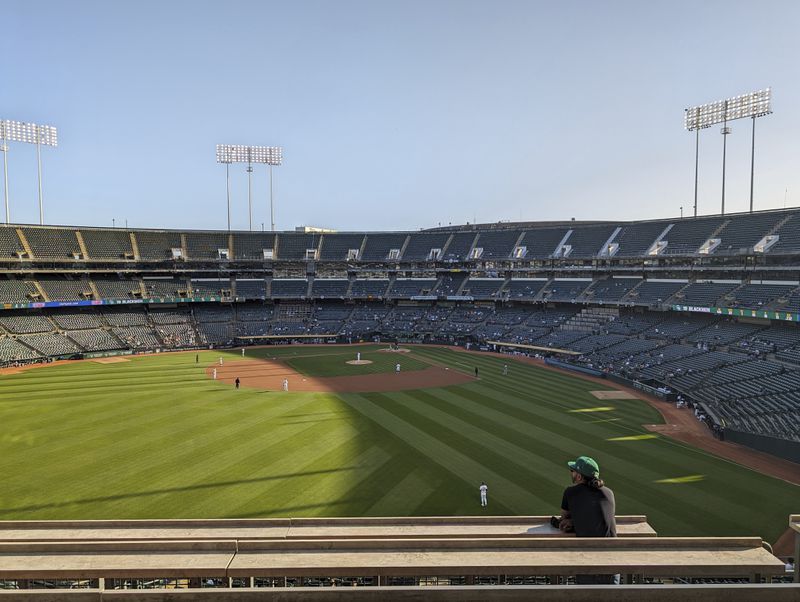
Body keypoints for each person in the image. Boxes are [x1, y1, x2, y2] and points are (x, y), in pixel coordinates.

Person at [559, 456, 617, 585]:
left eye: (572, 470)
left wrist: (573, 521)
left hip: (587, 560)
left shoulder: (571, 492)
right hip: (612, 561)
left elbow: (564, 519)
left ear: (579, 476)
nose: (571, 473)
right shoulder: (609, 493)